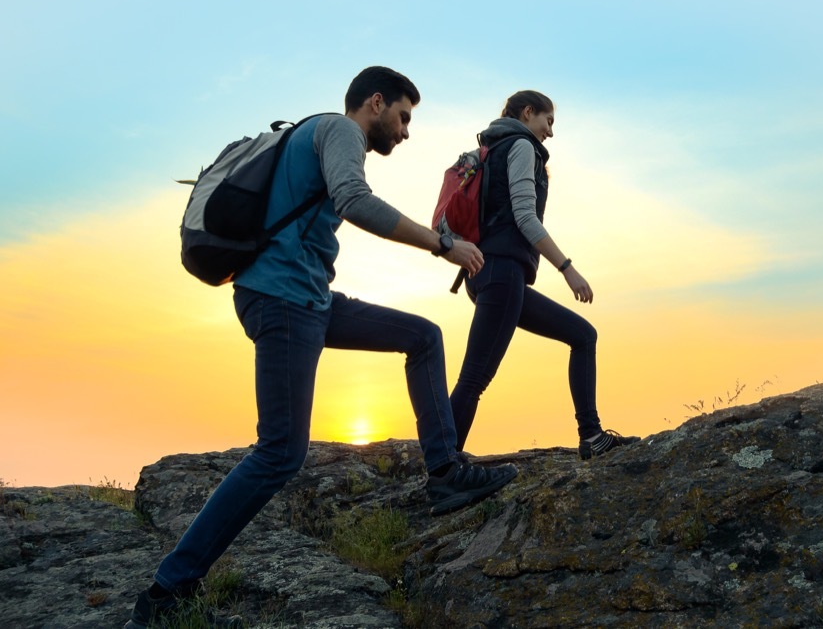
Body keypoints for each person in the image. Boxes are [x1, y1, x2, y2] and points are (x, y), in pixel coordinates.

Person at [126, 67, 517, 629]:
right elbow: (354, 200)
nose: (405, 132)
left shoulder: (310, 134)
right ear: (375, 102)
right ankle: (167, 589)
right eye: (403, 116)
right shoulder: (339, 130)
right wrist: (442, 244)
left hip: (308, 299)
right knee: (281, 452)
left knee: (423, 337)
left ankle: (445, 473)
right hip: (282, 301)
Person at [448, 90, 640, 460]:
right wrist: (568, 269)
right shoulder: (520, 146)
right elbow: (524, 216)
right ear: (528, 112)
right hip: (501, 275)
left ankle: (592, 436)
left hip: (490, 276)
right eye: (548, 121)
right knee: (474, 378)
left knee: (582, 335)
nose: (550, 132)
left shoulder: (491, 149)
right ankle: (443, 470)